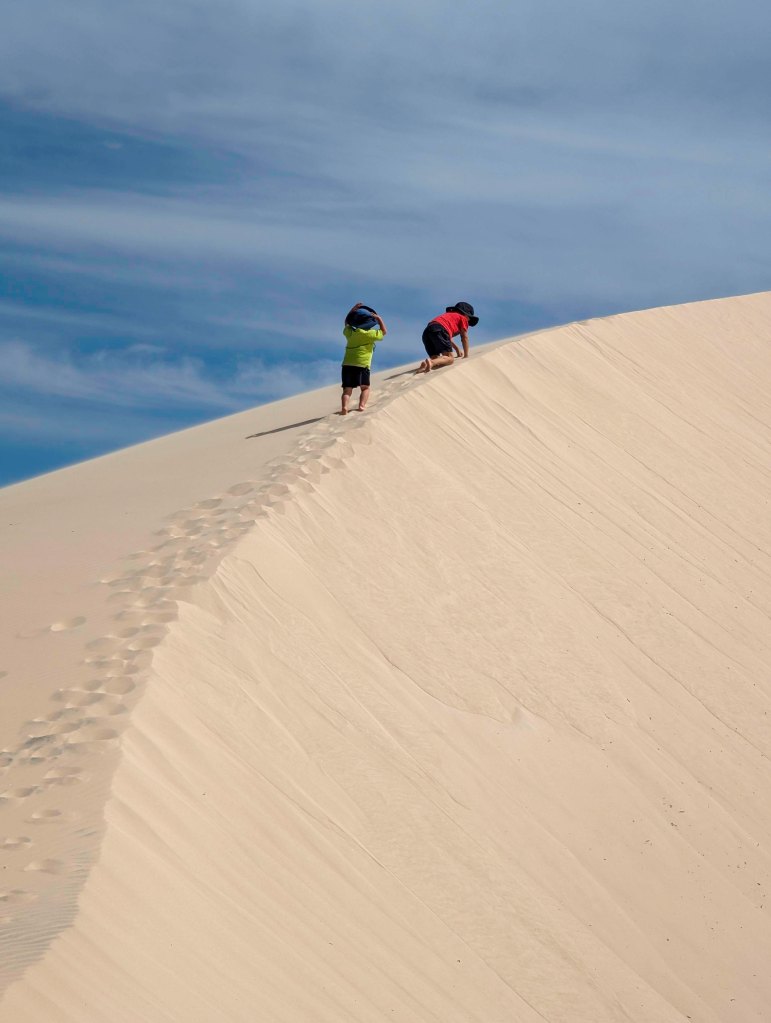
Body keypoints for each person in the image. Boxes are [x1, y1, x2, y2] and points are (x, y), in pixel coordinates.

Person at [340, 303, 387, 414]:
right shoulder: (370, 334)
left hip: (347, 364)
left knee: (347, 389)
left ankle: (344, 407)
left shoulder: (350, 333)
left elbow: (346, 323)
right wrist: (379, 319)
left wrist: (352, 310)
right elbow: (384, 332)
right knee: (365, 388)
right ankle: (361, 406)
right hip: (362, 364)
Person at [417, 302, 479, 373]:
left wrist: (457, 349)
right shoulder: (463, 318)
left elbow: (447, 337)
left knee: (436, 358)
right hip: (440, 329)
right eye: (469, 318)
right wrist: (466, 355)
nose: (469, 321)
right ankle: (431, 362)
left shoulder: (448, 316)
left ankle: (425, 365)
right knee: (450, 359)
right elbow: (464, 337)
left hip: (427, 332)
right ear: (466, 315)